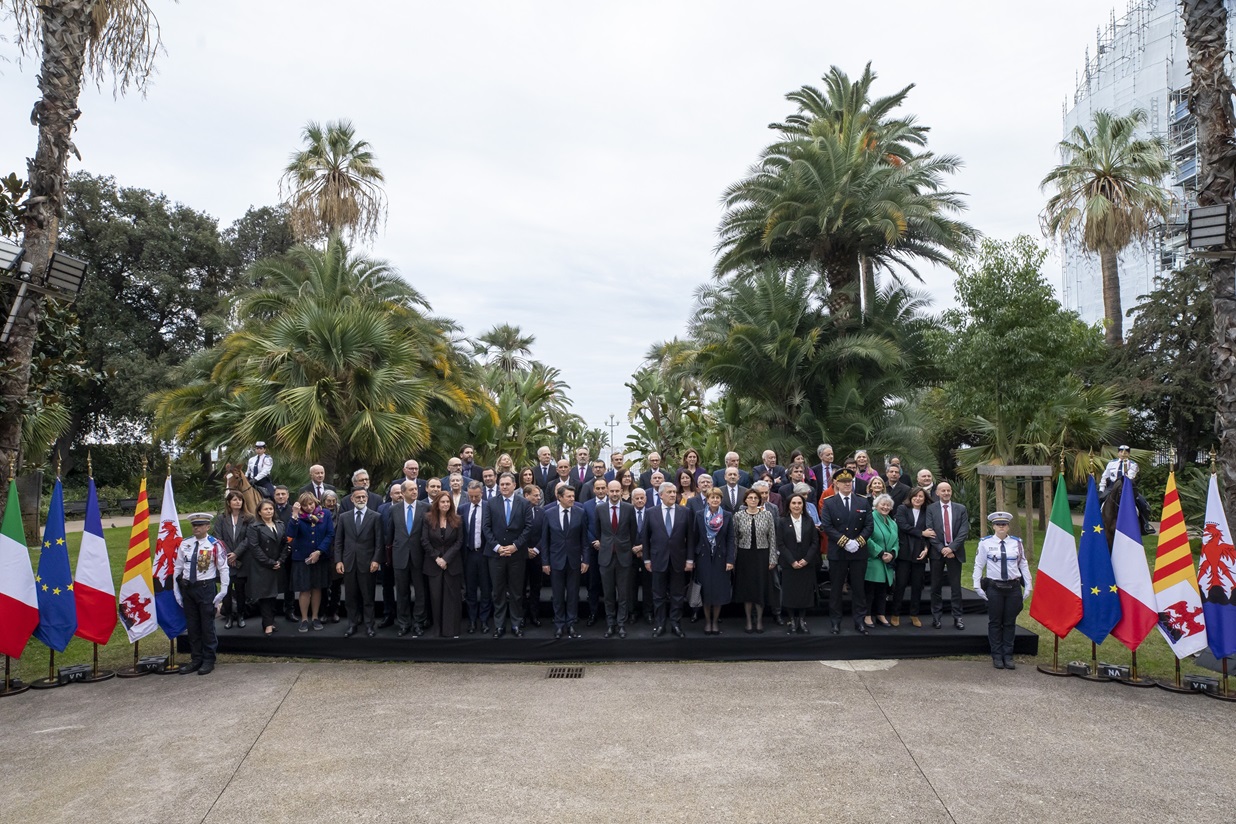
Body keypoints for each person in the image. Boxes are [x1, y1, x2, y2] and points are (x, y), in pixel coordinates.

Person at [973, 511, 1032, 669]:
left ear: (1008, 527)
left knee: (1009, 622)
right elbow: (979, 565)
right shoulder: (985, 543)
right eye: (998, 524)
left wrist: (1028, 584)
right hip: (994, 587)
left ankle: (1008, 655)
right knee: (995, 622)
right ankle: (997, 655)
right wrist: (977, 585)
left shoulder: (1016, 543)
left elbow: (1023, 564)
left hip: (1012, 587)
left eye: (1004, 524)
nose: (1001, 527)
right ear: (993, 526)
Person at [820, 470, 873, 635]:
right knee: (836, 589)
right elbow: (827, 527)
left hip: (858, 552)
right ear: (836, 483)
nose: (847, 484)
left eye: (849, 481)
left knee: (858, 588)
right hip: (838, 552)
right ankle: (835, 622)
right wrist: (845, 542)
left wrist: (857, 542)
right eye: (843, 481)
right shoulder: (829, 503)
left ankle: (860, 621)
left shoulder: (863, 502)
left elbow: (869, 526)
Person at [175, 513, 229, 675]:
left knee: (207, 625)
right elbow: (178, 567)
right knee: (192, 626)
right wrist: (176, 590)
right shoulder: (185, 544)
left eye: (200, 525)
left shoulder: (214, 544)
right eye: (194, 525)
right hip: (188, 588)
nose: (196, 528)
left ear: (208, 527)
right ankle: (196, 658)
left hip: (205, 588)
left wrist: (224, 590)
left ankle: (209, 659)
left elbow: (223, 568)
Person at [484, 471, 534, 638]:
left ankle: (516, 623)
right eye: (502, 484)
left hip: (516, 555)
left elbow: (528, 528)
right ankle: (499, 625)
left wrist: (515, 546)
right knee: (497, 592)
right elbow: (486, 528)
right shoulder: (490, 503)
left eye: (507, 484)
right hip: (496, 555)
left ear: (514, 485)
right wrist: (497, 547)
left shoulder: (524, 503)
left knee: (516, 591)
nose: (504, 487)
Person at [590, 480, 641, 638]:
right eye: (611, 491)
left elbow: (633, 532)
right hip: (605, 557)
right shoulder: (599, 509)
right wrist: (606, 544)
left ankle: (621, 624)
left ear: (621, 491)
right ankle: (610, 623)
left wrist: (625, 546)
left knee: (623, 594)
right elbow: (598, 531)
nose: (614, 494)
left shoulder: (629, 508)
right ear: (606, 491)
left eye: (617, 491)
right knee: (608, 594)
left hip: (624, 557)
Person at [643, 482, 692, 637]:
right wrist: (646, 559)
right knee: (658, 595)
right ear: (661, 495)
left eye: (674, 492)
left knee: (677, 594)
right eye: (669, 492)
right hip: (658, 560)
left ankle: (676, 624)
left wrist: (690, 559)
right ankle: (660, 624)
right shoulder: (651, 512)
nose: (673, 495)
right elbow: (645, 538)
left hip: (678, 559)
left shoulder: (685, 511)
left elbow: (690, 538)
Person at [540, 484, 589, 638]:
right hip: (555, 561)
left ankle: (572, 623)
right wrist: (545, 562)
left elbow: (584, 540)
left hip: (574, 560)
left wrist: (585, 560)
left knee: (573, 594)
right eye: (568, 496)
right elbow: (545, 540)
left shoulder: (580, 513)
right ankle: (559, 624)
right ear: (559, 497)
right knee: (558, 594)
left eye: (573, 496)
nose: (572, 499)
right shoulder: (548, 513)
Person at [334, 486, 383, 637]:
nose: (361, 499)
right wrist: (338, 561)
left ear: (367, 498)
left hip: (368, 563)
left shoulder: (375, 516)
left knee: (368, 597)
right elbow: (338, 541)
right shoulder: (344, 517)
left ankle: (369, 625)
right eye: (358, 497)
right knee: (350, 597)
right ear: (352, 499)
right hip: (349, 563)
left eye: (364, 497)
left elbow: (379, 542)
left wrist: (376, 560)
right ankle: (352, 624)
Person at [286, 491, 333, 631]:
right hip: (302, 558)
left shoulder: (325, 514)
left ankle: (315, 617)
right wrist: (294, 516)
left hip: (320, 558)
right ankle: (305, 619)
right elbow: (290, 535)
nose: (309, 507)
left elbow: (330, 534)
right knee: (305, 589)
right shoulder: (297, 518)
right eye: (305, 505)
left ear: (315, 502)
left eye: (311, 503)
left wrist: (319, 551)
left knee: (317, 588)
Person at [691, 488, 735, 635]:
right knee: (706, 592)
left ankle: (715, 621)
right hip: (703, 558)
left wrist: (730, 560)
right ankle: (707, 621)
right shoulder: (699, 515)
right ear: (707, 500)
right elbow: (694, 538)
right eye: (712, 497)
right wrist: (692, 559)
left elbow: (730, 539)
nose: (715, 500)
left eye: (718, 497)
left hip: (721, 559)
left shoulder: (727, 516)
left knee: (718, 592)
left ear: (721, 500)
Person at [925, 481, 969, 630]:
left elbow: (964, 531)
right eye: (943, 491)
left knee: (955, 587)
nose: (946, 493)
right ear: (937, 493)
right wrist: (942, 548)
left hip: (955, 553)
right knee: (935, 587)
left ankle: (958, 617)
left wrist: (951, 548)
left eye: (948, 490)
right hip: (937, 554)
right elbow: (929, 530)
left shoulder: (960, 509)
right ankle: (936, 617)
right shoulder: (931, 509)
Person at [733, 488, 777, 633]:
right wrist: (732, 560)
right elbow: (734, 538)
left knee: (760, 588)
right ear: (745, 500)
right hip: (744, 556)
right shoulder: (738, 516)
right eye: (750, 498)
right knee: (747, 589)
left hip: (762, 555)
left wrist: (772, 558)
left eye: (755, 498)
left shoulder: (767, 515)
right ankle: (748, 621)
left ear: (759, 500)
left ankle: (758, 621)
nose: (753, 500)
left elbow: (772, 537)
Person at [421, 490, 464, 638]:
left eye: (448, 502)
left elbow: (459, 542)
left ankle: (450, 630)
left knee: (451, 598)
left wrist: (446, 559)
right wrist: (437, 558)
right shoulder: (428, 518)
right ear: (437, 504)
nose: (445, 504)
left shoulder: (458, 519)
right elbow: (424, 541)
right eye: (443, 502)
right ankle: (437, 629)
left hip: (452, 564)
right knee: (435, 597)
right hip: (433, 565)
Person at [389, 480, 429, 637]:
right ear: (403, 492)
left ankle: (419, 622)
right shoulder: (394, 510)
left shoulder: (425, 508)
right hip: (400, 556)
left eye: (415, 489)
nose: (415, 492)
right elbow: (390, 534)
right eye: (411, 489)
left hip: (419, 556)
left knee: (420, 592)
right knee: (402, 592)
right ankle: (404, 623)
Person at [778, 493, 819, 633]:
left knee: (804, 593)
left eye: (799, 503)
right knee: (790, 593)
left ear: (803, 505)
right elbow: (780, 543)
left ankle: (801, 619)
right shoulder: (782, 521)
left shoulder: (809, 520)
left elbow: (815, 542)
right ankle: (792, 620)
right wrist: (792, 561)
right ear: (789, 505)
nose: (796, 506)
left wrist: (806, 559)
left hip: (806, 562)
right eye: (794, 503)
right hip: (789, 562)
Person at [891, 487, 933, 627]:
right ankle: (895, 613)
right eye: (915, 496)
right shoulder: (903, 509)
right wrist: (922, 533)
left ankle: (914, 614)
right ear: (910, 497)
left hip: (920, 553)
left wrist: (927, 548)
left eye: (921, 496)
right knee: (900, 585)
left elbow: (930, 532)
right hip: (904, 553)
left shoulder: (927, 512)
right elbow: (903, 526)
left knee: (917, 586)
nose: (918, 498)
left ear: (924, 498)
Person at [245, 499, 288, 635]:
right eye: (266, 509)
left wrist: (280, 560)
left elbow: (286, 544)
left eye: (271, 509)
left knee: (273, 595)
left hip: (277, 564)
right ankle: (267, 624)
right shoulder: (254, 527)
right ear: (259, 512)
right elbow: (254, 547)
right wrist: (269, 562)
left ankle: (271, 621)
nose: (269, 511)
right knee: (265, 596)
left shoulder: (280, 524)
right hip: (262, 566)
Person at [458, 481, 493, 634]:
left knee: (486, 589)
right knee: (470, 590)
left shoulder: (489, 507)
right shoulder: (462, 509)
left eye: (476, 496)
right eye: (471, 496)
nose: (474, 499)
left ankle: (484, 620)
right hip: (468, 554)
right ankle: (472, 620)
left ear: (482, 494)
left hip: (485, 554)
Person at [214, 491, 251, 630]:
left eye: (240, 500)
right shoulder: (221, 519)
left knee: (241, 590)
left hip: (242, 560)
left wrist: (236, 554)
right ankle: (228, 616)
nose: (238, 502)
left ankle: (240, 615)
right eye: (235, 500)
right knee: (227, 590)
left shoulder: (248, 518)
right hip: (226, 560)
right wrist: (229, 555)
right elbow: (218, 537)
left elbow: (248, 539)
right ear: (229, 502)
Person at [1099, 444, 1154, 533]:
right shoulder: (1111, 463)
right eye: (1121, 452)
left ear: (1129, 454)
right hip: (1112, 487)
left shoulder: (1133, 465)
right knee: (1099, 500)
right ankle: (1094, 524)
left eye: (1126, 452)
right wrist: (1101, 489)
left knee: (1143, 503)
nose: (1123, 454)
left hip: (1127, 487)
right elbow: (1105, 476)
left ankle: (1145, 525)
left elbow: (1130, 477)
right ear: (1118, 453)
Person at [864, 494, 898, 628]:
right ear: (876, 505)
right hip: (874, 560)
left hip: (888, 561)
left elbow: (897, 541)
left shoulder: (892, 522)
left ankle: (880, 614)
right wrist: (881, 553)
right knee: (870, 590)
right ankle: (867, 615)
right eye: (882, 504)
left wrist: (892, 553)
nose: (885, 507)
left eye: (888, 505)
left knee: (882, 590)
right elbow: (867, 538)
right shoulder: (870, 518)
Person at [521, 484, 546, 627]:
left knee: (536, 587)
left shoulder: (542, 513)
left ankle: (534, 615)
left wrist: (536, 549)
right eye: (535, 495)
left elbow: (545, 534)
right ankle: (522, 616)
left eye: (539, 495)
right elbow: (516, 533)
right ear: (526, 495)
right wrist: (525, 549)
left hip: (537, 556)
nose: (538, 498)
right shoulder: (517, 512)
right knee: (521, 587)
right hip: (521, 555)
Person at [319, 490, 344, 622]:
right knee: (323, 586)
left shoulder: (341, 513)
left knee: (336, 586)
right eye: (328, 501)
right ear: (323, 501)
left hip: (337, 554)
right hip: (323, 553)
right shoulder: (318, 514)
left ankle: (334, 611)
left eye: (333, 501)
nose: (331, 504)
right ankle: (323, 612)